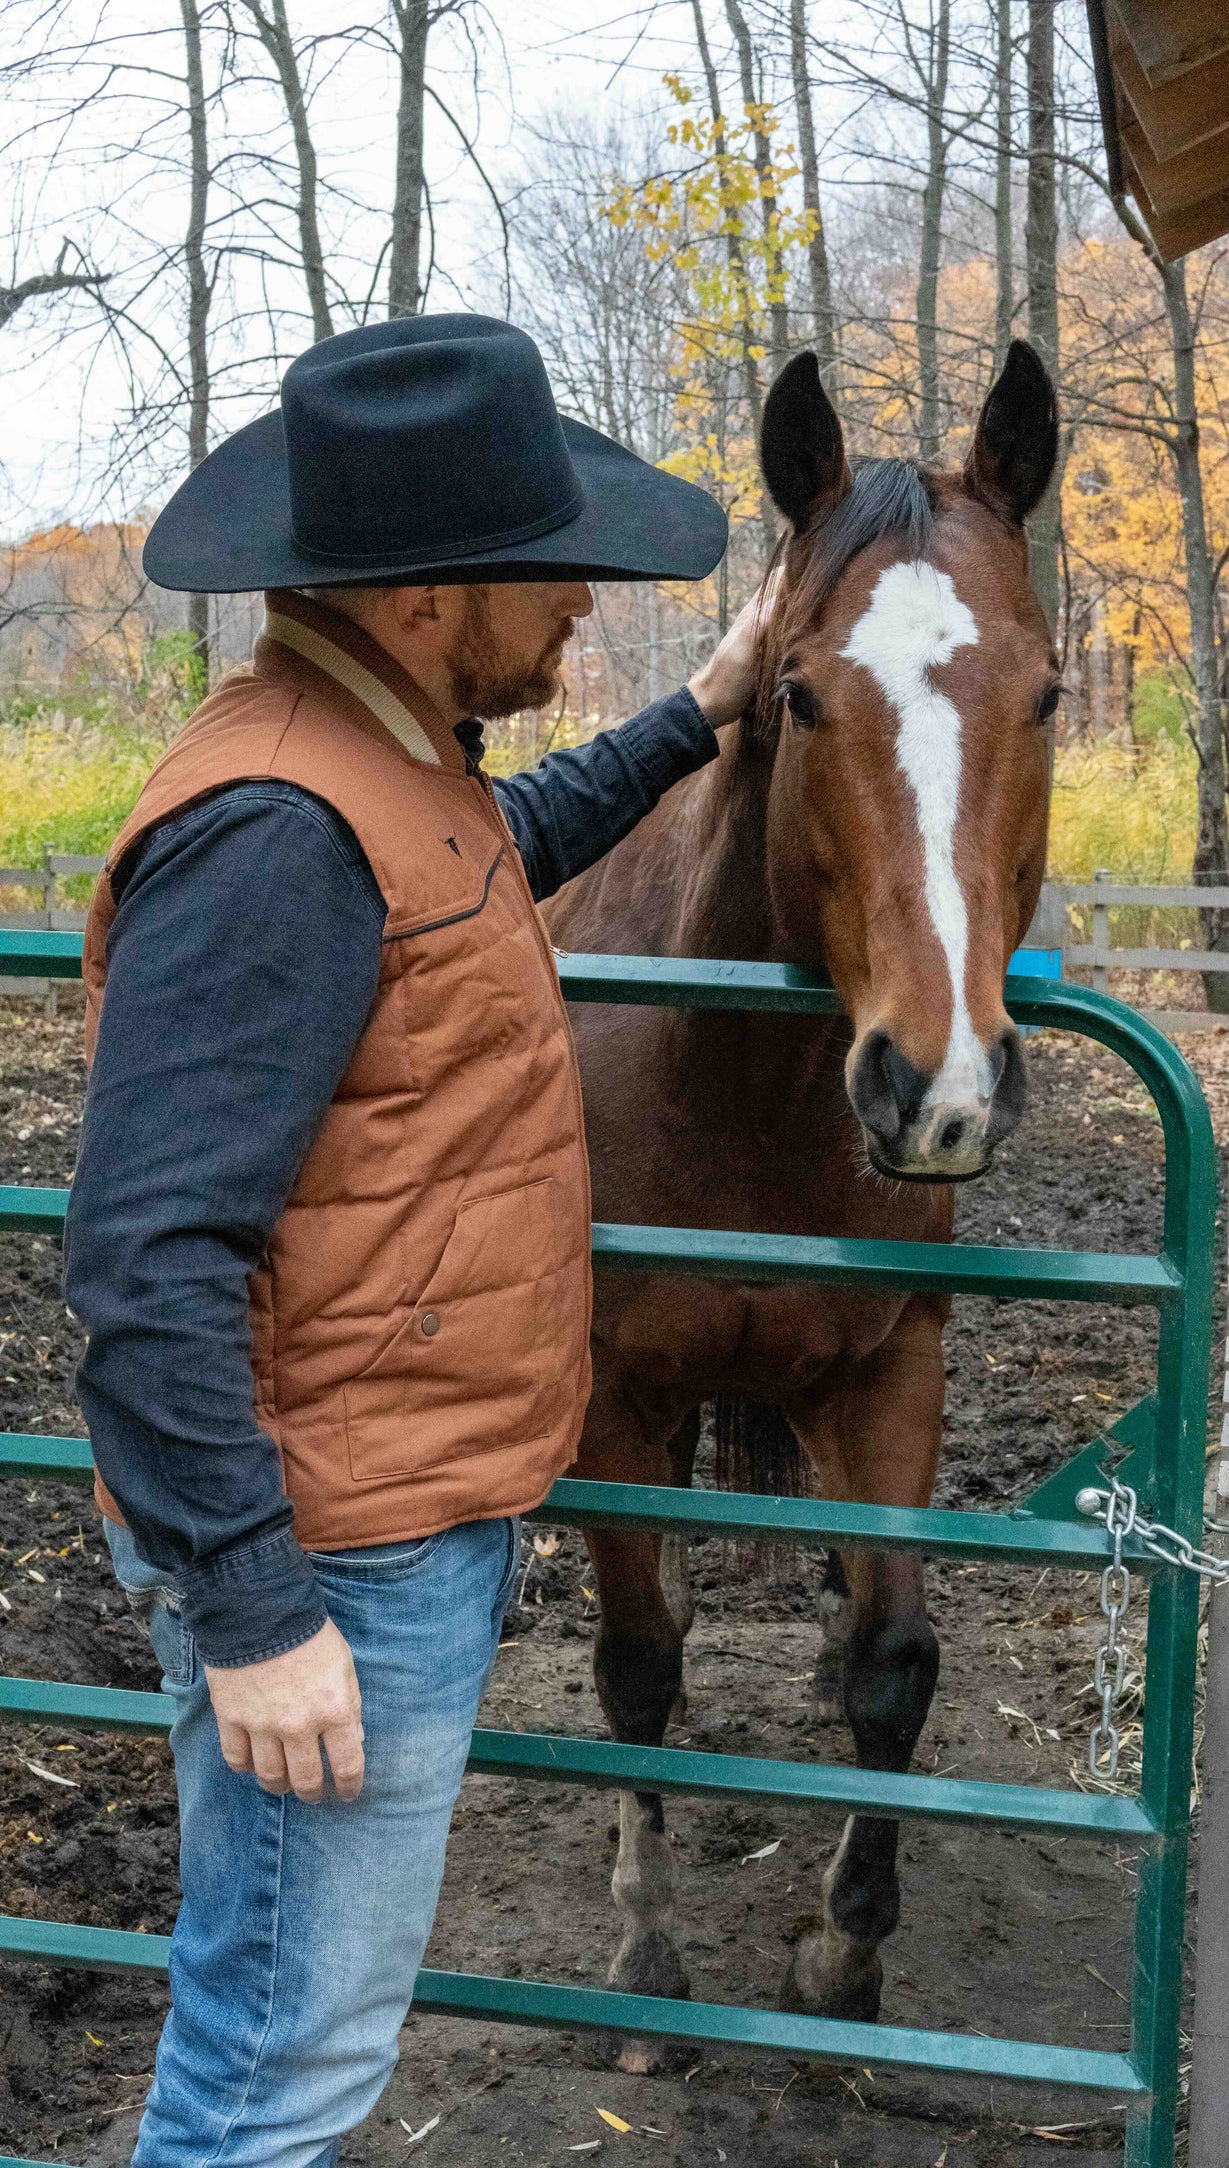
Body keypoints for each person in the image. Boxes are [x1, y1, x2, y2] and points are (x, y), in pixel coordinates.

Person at [62, 313, 759, 2167]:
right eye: (558, 580)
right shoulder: (282, 826)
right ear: (439, 594)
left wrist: (695, 721)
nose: (582, 614)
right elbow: (142, 1265)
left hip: (376, 1526)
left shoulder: (385, 765)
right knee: (276, 2061)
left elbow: (477, 860)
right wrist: (259, 1611)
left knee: (295, 2032)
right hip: (330, 1565)